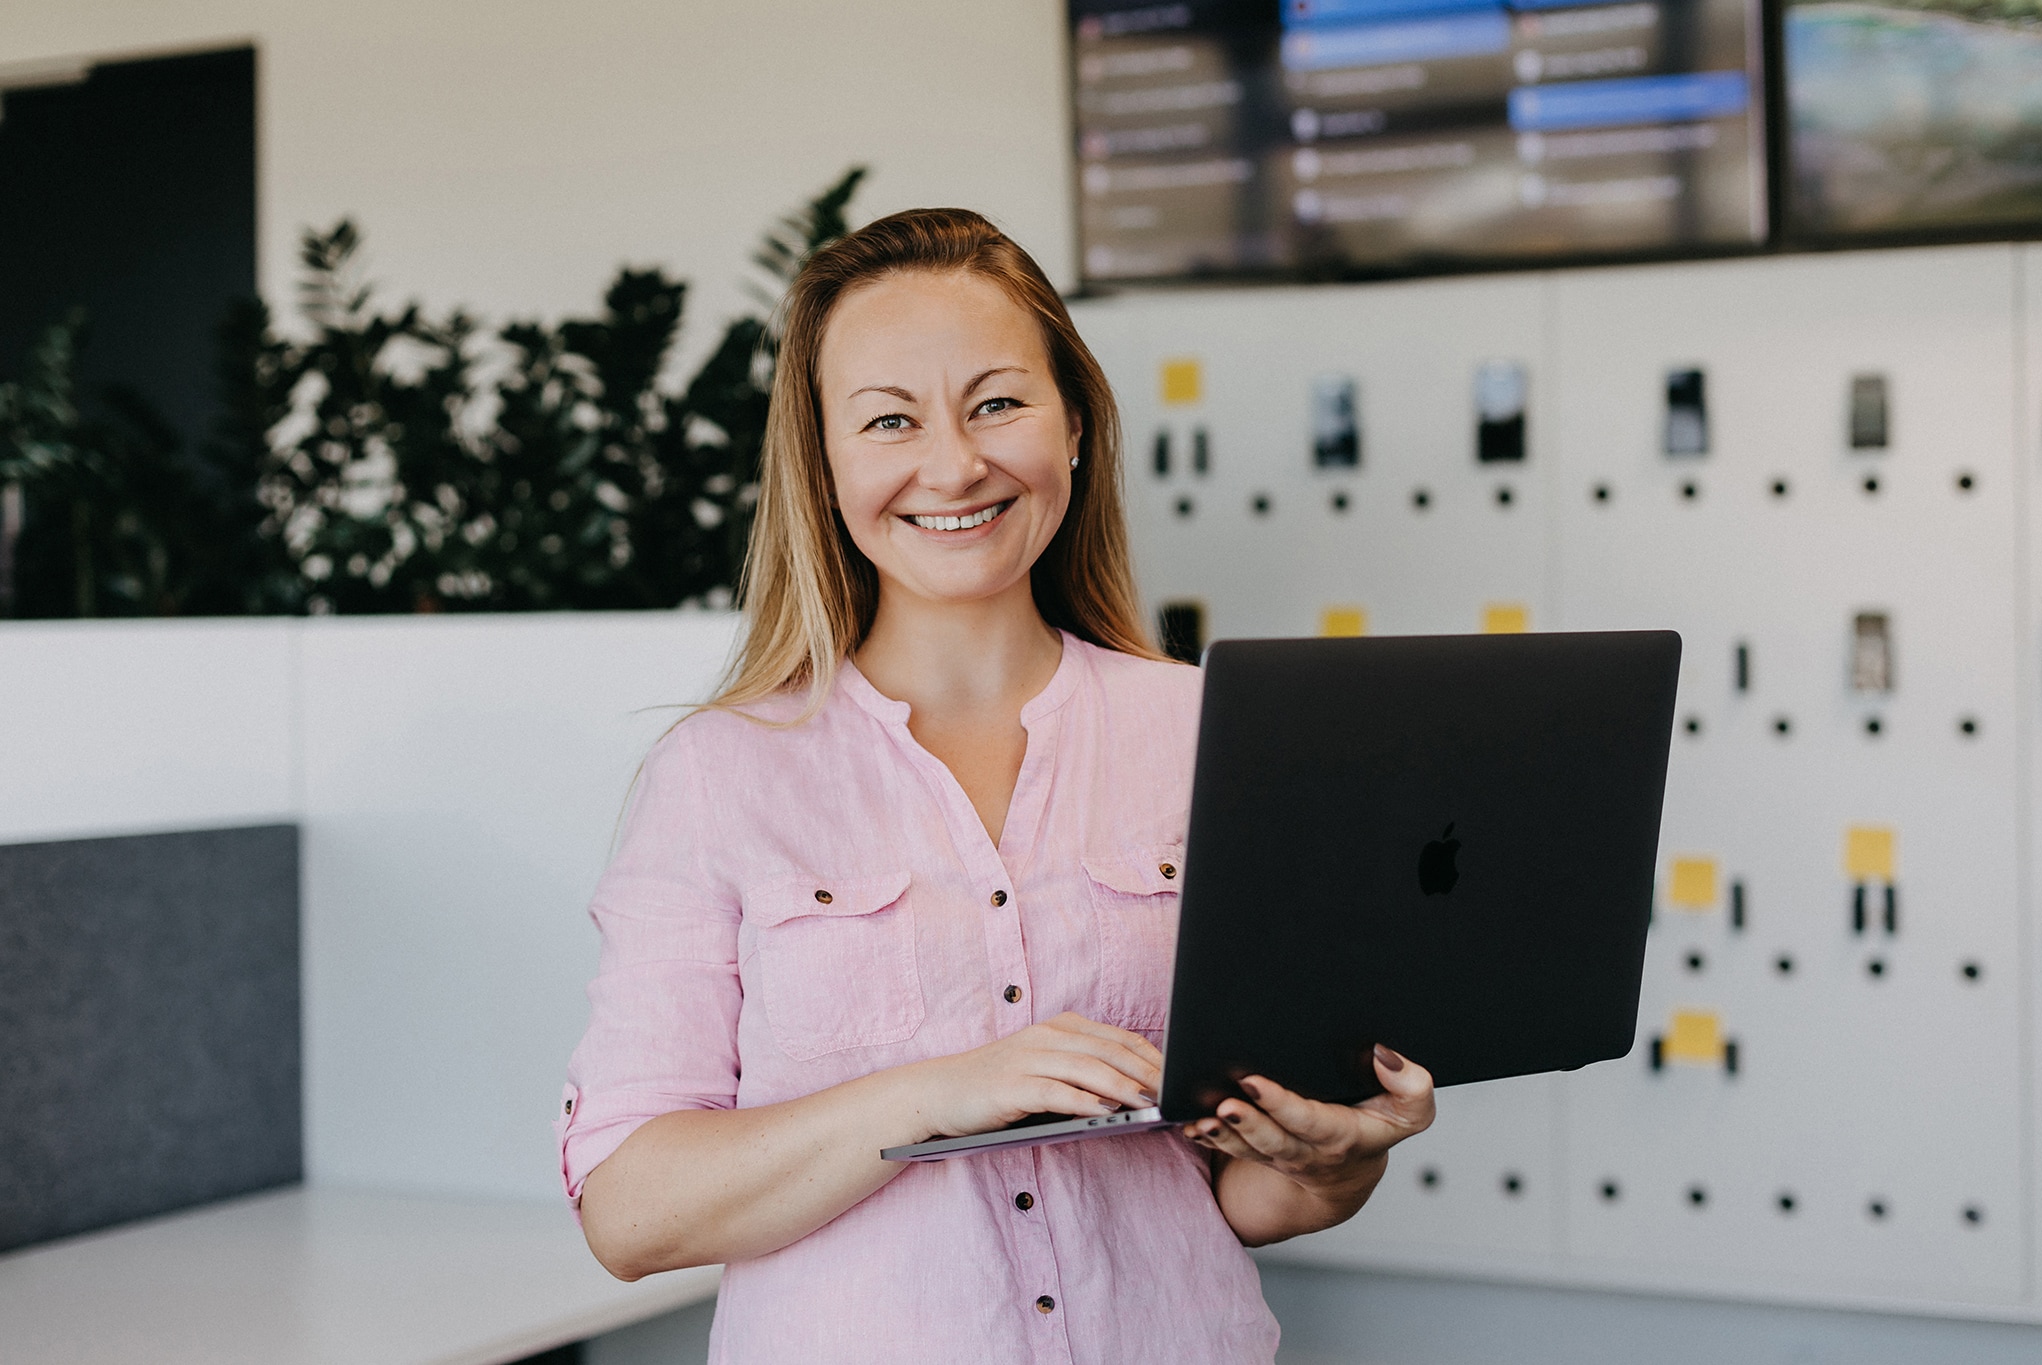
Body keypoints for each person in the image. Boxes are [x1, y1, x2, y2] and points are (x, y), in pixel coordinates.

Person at [556, 208, 1437, 1363]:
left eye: (997, 403)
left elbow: (1234, 1195)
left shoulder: (1210, 733)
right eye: (888, 420)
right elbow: (629, 1211)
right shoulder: (719, 776)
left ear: (1072, 426)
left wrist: (1335, 1156)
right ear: (823, 468)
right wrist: (939, 1093)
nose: (955, 463)